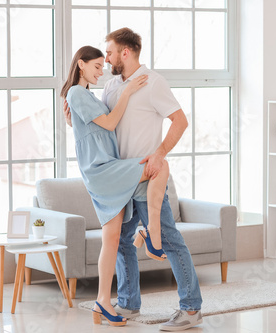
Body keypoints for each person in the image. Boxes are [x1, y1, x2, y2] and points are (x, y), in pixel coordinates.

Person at [64, 28, 203, 331]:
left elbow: (180, 121)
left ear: (125, 52)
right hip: (117, 176)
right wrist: (72, 116)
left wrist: (160, 154)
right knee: (123, 241)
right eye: (101, 59)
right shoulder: (112, 86)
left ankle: (191, 308)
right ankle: (128, 303)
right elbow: (103, 126)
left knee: (168, 238)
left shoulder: (153, 83)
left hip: (142, 175)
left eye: (110, 53)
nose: (107, 59)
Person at [60, 45, 170, 327]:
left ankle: (102, 302)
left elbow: (90, 129)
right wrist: (128, 91)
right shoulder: (76, 92)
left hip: (107, 166)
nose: (101, 71)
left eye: (102, 65)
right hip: (102, 170)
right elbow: (109, 123)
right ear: (81, 65)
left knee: (111, 240)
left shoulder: (86, 96)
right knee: (157, 164)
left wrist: (71, 122)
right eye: (96, 66)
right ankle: (151, 236)